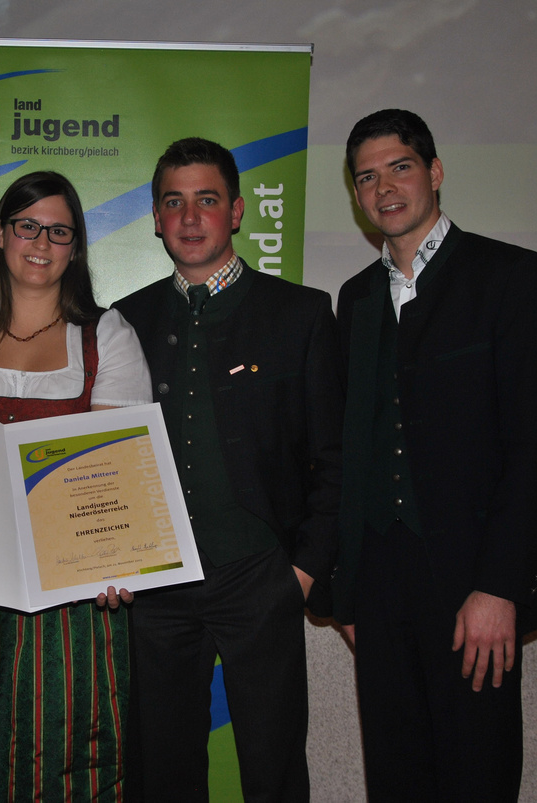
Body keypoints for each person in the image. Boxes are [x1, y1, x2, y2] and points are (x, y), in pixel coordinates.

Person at [334, 108, 537, 801]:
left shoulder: (511, 276)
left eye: (399, 168)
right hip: (381, 585)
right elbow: (354, 448)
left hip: (475, 582)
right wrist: (348, 590)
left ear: (434, 172)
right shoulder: (356, 299)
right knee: (396, 777)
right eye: (366, 177)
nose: (384, 188)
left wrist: (499, 587)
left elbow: (530, 446)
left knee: (477, 774)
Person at [0, 170, 152, 802]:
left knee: (63, 752)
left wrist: (120, 559)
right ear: (1, 234)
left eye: (58, 231)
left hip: (67, 592)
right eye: (27, 226)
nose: (41, 242)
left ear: (75, 246)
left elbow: (118, 478)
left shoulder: (106, 337)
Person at [111, 138, 343, 802]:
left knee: (273, 772)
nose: (190, 217)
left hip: (260, 577)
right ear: (156, 218)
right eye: (173, 202)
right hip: (156, 589)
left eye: (206, 200)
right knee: (160, 776)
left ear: (236, 211)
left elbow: (336, 459)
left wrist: (300, 573)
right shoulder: (124, 321)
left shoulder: (301, 315)